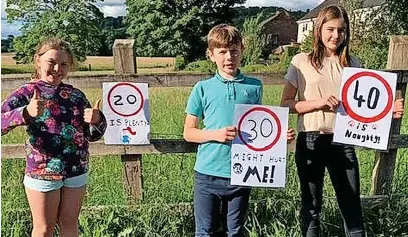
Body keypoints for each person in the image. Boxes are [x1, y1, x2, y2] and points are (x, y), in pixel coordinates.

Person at [280, 5, 404, 237]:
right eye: (330, 29)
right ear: (319, 30)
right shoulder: (300, 61)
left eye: (342, 30)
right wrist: (318, 103)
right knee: (311, 207)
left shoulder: (354, 64)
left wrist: (390, 110)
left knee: (351, 206)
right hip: (310, 141)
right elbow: (286, 103)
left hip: (343, 143)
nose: (336, 35)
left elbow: (366, 106)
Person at [183, 23, 296, 237]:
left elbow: (258, 128)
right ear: (211, 54)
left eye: (234, 51)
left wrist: (279, 136)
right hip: (208, 173)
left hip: (242, 173)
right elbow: (189, 132)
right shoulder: (202, 88)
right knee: (204, 232)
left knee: (235, 231)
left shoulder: (254, 86)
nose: (229, 57)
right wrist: (215, 134)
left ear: (242, 51)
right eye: (222, 52)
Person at [1, 38, 107, 237]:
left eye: (64, 64)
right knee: (43, 229)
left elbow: (93, 136)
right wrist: (25, 113)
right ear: (38, 61)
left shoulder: (75, 96)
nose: (57, 68)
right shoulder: (26, 92)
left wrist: (97, 120)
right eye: (51, 62)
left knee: (70, 225)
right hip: (42, 171)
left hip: (76, 170)